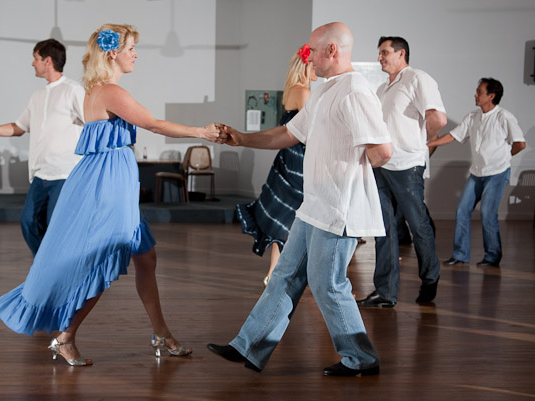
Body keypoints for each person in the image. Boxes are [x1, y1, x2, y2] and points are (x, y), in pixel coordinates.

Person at [0, 24, 222, 366]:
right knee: (104, 260)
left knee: (146, 258)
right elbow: (152, 124)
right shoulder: (110, 92)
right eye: (131, 49)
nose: (135, 55)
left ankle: (161, 334)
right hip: (108, 183)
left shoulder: (98, 90)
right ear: (113, 53)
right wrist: (201, 131)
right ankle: (65, 337)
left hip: (111, 179)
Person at [208, 22, 392, 376]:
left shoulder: (354, 91)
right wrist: (242, 139)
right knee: (285, 276)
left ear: (332, 51)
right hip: (314, 206)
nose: (309, 58)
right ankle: (248, 345)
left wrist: (348, 175)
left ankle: (362, 358)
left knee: (328, 285)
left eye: (313, 51)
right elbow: (289, 133)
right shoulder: (324, 91)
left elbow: (382, 150)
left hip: (338, 209)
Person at [0, 39, 84, 256]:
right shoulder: (37, 95)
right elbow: (18, 128)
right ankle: (46, 266)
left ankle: (58, 269)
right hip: (40, 174)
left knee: (56, 228)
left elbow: (92, 123)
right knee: (28, 222)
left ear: (47, 61)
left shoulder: (73, 90)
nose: (32, 63)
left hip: (65, 174)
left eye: (35, 58)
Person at [357, 36, 447, 308]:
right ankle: (385, 292)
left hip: (407, 166)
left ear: (401, 53)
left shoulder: (418, 79)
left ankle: (430, 277)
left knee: (418, 225)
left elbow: (438, 118)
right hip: (382, 166)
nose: (380, 58)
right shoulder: (383, 89)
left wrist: (421, 143)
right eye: (380, 53)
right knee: (383, 229)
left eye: (385, 52)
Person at [235, 44, 316, 287]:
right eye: (313, 64)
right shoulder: (303, 91)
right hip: (299, 160)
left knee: (285, 216)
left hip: (287, 157)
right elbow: (311, 132)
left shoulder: (292, 90)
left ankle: (273, 274)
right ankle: (295, 275)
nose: (317, 69)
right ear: (306, 65)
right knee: (297, 215)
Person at [429, 78, 526, 267]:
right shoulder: (472, 117)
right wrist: (428, 144)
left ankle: (492, 257)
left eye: (479, 92)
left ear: (491, 96)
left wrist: (504, 157)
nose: (475, 95)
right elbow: (452, 136)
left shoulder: (504, 117)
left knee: (488, 213)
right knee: (462, 210)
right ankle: (460, 255)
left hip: (497, 173)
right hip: (476, 173)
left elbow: (520, 144)